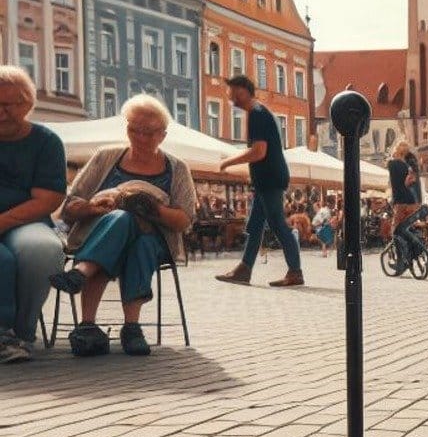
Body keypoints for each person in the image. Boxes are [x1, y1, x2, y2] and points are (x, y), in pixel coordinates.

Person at [51, 95, 196, 356]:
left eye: (148, 132)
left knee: (137, 237)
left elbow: (185, 220)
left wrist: (152, 208)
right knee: (122, 223)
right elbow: (69, 207)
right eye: (134, 129)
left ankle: (83, 287)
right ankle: (132, 329)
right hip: (97, 235)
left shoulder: (176, 168)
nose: (140, 137)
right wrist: (94, 207)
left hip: (155, 241)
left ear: (162, 135)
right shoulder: (106, 157)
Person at [0, 65, 66, 363]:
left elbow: (48, 199)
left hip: (26, 220)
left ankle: (21, 334)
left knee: (42, 249)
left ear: (27, 103)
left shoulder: (46, 142)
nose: (0, 112)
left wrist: (2, 222)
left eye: (6, 105)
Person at [214, 75, 304, 287]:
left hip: (270, 179)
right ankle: (244, 270)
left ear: (242, 91)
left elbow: (259, 152)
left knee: (277, 224)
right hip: (266, 179)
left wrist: (228, 162)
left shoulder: (257, 114)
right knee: (255, 226)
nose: (230, 97)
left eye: (232, 92)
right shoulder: (258, 112)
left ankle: (295, 271)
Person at [388, 140, 421, 234]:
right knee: (409, 228)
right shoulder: (410, 166)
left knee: (396, 230)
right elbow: (411, 182)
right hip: (412, 201)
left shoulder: (391, 164)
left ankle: (399, 247)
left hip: (399, 201)